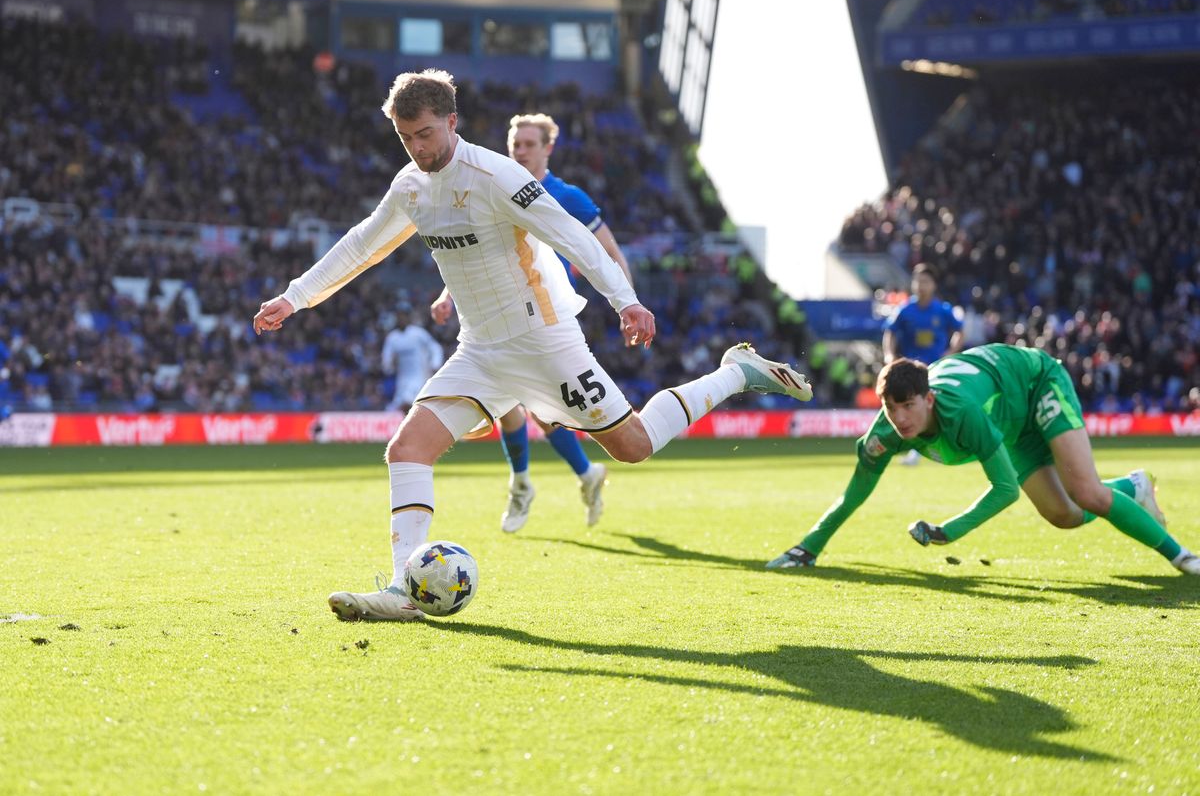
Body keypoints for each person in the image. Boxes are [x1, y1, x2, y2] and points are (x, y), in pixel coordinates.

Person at [252, 69, 814, 622]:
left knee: (634, 445)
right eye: (404, 137)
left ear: (452, 121)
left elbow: (570, 234)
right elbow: (361, 247)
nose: (416, 147)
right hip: (480, 350)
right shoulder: (410, 187)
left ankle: (737, 371)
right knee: (406, 450)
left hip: (544, 342)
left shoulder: (496, 177)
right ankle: (404, 589)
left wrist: (626, 300)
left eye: (424, 134)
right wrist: (295, 298)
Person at [766, 343, 1200, 575]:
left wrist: (946, 532)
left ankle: (1183, 557)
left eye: (907, 406)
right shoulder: (886, 432)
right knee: (1065, 516)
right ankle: (1134, 487)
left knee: (1085, 491)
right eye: (889, 408)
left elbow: (1005, 489)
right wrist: (809, 548)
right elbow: (854, 494)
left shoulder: (961, 413)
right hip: (1008, 423)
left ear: (929, 399)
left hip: (1035, 384)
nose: (898, 418)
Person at [430, 113, 631, 533]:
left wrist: (625, 304)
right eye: (514, 142)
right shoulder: (492, 183)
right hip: (496, 316)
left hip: (550, 317)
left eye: (528, 144)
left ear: (547, 149)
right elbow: (477, 254)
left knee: (537, 411)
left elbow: (608, 250)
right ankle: (543, 479)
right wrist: (447, 295)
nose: (518, 150)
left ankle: (544, 480)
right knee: (513, 407)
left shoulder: (566, 196)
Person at [883, 264, 963, 465]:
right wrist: (889, 355)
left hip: (938, 370)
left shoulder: (943, 310)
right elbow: (889, 332)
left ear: (934, 285)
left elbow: (960, 331)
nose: (921, 285)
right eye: (917, 281)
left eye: (925, 281)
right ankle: (914, 451)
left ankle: (943, 448)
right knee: (912, 409)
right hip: (911, 373)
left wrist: (951, 352)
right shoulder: (905, 310)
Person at [381, 303, 444, 412]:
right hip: (402, 381)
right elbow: (386, 364)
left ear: (408, 316)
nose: (401, 318)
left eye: (404, 315)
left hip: (421, 378)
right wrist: (390, 364)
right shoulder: (392, 338)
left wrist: (435, 365)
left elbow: (436, 348)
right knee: (397, 410)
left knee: (411, 405)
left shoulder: (418, 333)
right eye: (399, 315)